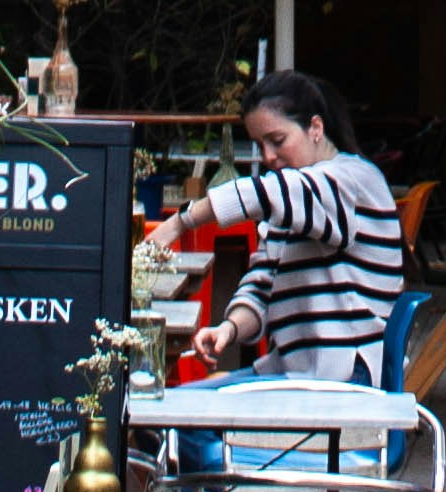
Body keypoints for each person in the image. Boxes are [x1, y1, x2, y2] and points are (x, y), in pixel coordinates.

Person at [141, 73, 406, 389]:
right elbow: (262, 283)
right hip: (293, 375)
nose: (267, 156)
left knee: (177, 423)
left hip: (345, 379)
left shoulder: (351, 180)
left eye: (277, 141)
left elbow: (269, 192)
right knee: (166, 408)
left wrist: (181, 222)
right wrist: (229, 328)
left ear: (315, 128)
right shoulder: (291, 205)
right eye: (259, 144)